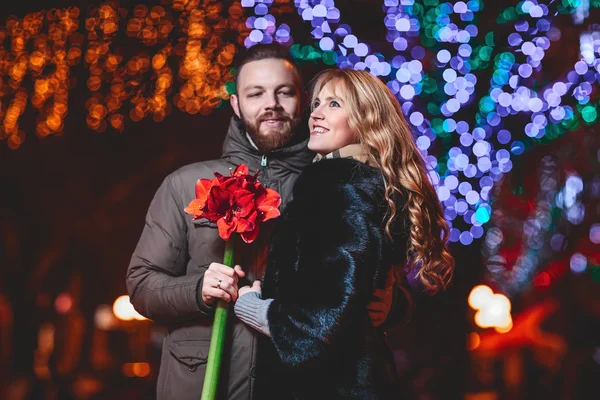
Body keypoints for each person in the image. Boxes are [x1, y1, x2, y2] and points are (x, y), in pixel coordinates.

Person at [126, 44, 395, 400]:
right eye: (256, 93)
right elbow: (142, 283)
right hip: (201, 383)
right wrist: (197, 289)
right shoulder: (184, 183)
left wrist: (395, 303)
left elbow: (360, 269)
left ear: (302, 100)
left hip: (294, 383)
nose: (272, 103)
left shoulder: (329, 185)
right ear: (237, 104)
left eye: (284, 92)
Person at [233, 69, 455, 400]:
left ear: (365, 121)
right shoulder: (370, 185)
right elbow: (357, 287)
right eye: (317, 103)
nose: (316, 113)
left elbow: (318, 325)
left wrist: (254, 308)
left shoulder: (339, 190)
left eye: (334, 104)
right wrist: (392, 306)